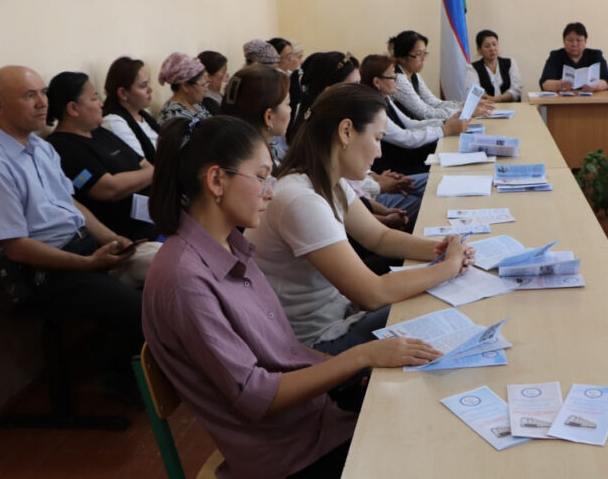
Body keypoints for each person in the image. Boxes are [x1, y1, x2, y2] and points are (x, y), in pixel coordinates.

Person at [143, 115, 441, 479]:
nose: (270, 192)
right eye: (261, 177)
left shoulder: (230, 244)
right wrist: (361, 356)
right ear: (217, 180)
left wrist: (350, 375)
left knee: (427, 396)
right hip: (291, 454)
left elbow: (284, 352)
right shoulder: (183, 279)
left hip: (314, 416)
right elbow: (256, 394)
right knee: (427, 445)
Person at [248, 83, 473, 355]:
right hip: (317, 343)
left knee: (433, 300)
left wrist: (440, 250)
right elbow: (371, 294)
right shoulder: (300, 199)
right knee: (435, 308)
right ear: (346, 131)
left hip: (340, 314)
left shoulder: (326, 180)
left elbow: (379, 237)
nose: (379, 152)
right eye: (377, 138)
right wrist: (448, 267)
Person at [0, 66, 141, 386]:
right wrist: (88, 263)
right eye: (29, 95)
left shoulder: (40, 147)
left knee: (165, 280)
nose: (43, 103)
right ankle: (119, 379)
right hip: (40, 273)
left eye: (44, 93)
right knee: (141, 310)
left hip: (82, 248)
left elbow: (70, 203)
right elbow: (17, 247)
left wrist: (112, 237)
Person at [297, 52, 425, 233]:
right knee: (425, 203)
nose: (378, 152)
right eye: (354, 85)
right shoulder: (325, 140)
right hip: (369, 197)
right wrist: (380, 186)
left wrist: (376, 177)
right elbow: (351, 208)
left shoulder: (359, 114)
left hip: (368, 195)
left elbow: (349, 194)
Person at [46, 72, 155, 241]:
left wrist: (148, 173)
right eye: (94, 98)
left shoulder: (100, 132)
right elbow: (108, 189)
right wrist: (152, 173)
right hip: (126, 236)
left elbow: (145, 164)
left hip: (153, 218)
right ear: (73, 108)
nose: (101, 104)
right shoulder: (61, 147)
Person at [361, 54, 468, 175]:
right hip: (394, 167)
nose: (396, 79)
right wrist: (445, 130)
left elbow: (410, 124)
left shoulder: (385, 99)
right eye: (392, 76)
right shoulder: (373, 109)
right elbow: (406, 138)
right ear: (377, 82)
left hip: (406, 155)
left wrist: (445, 122)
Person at [220, 65, 292, 166]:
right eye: (288, 103)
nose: (290, 109)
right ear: (269, 117)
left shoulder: (225, 148)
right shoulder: (257, 166)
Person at [388, 30, 466, 120]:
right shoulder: (398, 79)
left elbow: (434, 102)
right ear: (402, 57)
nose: (423, 59)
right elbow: (425, 113)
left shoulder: (414, 75)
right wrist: (462, 111)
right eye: (418, 54)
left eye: (424, 54)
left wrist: (463, 105)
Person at [101, 56, 160, 162]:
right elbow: (140, 163)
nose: (150, 89)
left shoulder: (144, 114)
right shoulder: (114, 122)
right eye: (143, 85)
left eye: (148, 83)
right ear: (123, 93)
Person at [539, 22, 608, 92]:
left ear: (585, 41)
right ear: (564, 41)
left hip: (591, 98)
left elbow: (607, 81)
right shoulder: (555, 56)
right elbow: (544, 83)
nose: (574, 44)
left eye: (579, 40)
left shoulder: (595, 55)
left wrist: (595, 86)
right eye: (570, 40)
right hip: (563, 98)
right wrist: (558, 85)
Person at [466, 30, 522, 102]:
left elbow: (516, 89)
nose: (492, 49)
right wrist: (491, 100)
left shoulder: (510, 63)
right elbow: (475, 92)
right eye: (487, 46)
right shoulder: (472, 68)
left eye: (494, 44)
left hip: (511, 106)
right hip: (486, 107)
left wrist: (497, 99)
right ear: (479, 49)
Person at [157, 52, 211, 124]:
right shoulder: (172, 116)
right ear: (185, 86)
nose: (206, 89)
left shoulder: (195, 104)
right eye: (203, 85)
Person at [197, 50, 229, 115]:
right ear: (208, 76)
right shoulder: (206, 100)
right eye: (223, 72)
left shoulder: (222, 95)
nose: (227, 75)